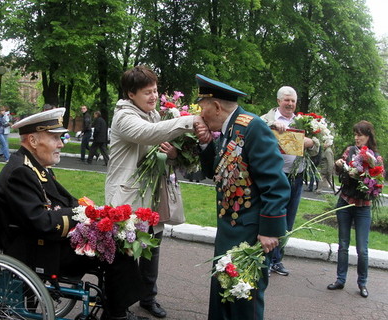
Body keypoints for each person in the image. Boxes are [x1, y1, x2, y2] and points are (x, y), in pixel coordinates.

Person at [0, 107, 148, 320]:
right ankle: (116, 315)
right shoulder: (21, 171)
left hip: (43, 243)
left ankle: (116, 310)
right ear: (33, 141)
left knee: (115, 240)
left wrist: (97, 214)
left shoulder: (35, 166)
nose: (61, 144)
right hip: (34, 249)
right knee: (116, 251)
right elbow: (43, 222)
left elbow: (64, 202)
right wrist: (81, 215)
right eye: (55, 138)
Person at [105, 65, 204, 319]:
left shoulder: (154, 116)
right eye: (147, 92)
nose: (152, 96)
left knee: (152, 249)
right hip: (127, 197)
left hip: (150, 195)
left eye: (155, 91)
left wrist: (171, 154)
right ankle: (119, 306)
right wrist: (188, 121)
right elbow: (147, 135)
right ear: (131, 94)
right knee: (126, 253)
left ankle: (148, 298)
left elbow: (158, 149)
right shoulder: (124, 117)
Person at [194, 74, 290, 320]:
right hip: (229, 229)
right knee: (222, 294)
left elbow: (276, 183)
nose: (200, 115)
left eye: (202, 108)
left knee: (244, 300)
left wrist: (270, 229)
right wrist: (205, 145)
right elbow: (217, 171)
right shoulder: (230, 128)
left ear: (216, 107)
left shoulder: (252, 126)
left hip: (248, 232)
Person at [260, 86, 320, 276]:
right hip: (274, 176)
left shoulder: (302, 122)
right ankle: (265, 260)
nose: (290, 104)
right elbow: (257, 139)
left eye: (293, 101)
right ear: (278, 101)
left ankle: (277, 260)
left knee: (288, 221)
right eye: (287, 100)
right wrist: (272, 128)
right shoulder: (266, 119)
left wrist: (312, 143)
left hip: (296, 177)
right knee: (271, 216)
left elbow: (317, 145)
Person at [327, 120, 381, 298]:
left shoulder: (376, 157)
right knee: (343, 245)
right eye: (356, 134)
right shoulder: (350, 151)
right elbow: (338, 171)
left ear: (368, 136)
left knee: (362, 249)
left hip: (363, 207)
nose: (357, 138)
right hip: (345, 203)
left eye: (360, 135)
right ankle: (340, 280)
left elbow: (378, 184)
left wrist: (366, 178)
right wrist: (339, 165)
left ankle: (362, 283)